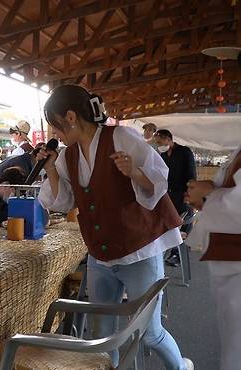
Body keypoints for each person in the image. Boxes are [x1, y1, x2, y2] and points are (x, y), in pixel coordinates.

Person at [36, 84, 191, 370]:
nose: (54, 134)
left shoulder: (120, 136)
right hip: (100, 255)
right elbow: (63, 200)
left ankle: (181, 367)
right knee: (101, 335)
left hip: (139, 250)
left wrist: (133, 171)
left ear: (70, 117)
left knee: (149, 332)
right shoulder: (69, 156)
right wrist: (49, 170)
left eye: (54, 125)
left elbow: (158, 181)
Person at [184, 145, 241, 370]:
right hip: (230, 263)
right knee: (231, 337)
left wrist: (208, 194)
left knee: (236, 348)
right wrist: (204, 195)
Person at [154, 129, 196, 266]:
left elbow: (191, 175)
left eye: (160, 141)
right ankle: (170, 251)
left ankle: (178, 256)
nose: (159, 144)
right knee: (170, 222)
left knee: (184, 222)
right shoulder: (164, 155)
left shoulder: (185, 152)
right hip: (169, 195)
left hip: (183, 194)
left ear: (168, 139)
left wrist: (189, 194)